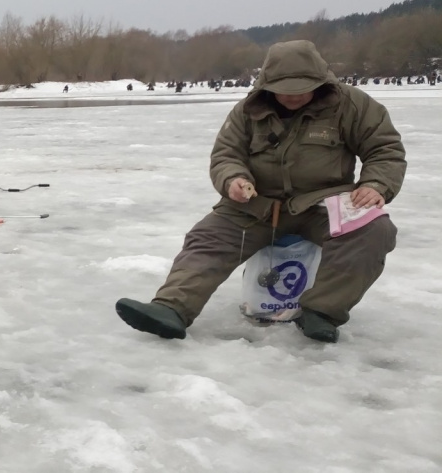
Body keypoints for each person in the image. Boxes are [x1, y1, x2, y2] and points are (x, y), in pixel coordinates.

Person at [115, 40, 405, 343]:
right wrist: (233, 180)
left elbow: (385, 150)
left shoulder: (353, 105)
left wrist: (375, 184)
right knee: (207, 240)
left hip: (324, 204)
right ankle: (171, 308)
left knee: (375, 230)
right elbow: (226, 155)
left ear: (321, 81)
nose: (293, 95)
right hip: (255, 204)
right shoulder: (246, 110)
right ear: (267, 83)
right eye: (284, 88)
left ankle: (322, 312)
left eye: (301, 88)